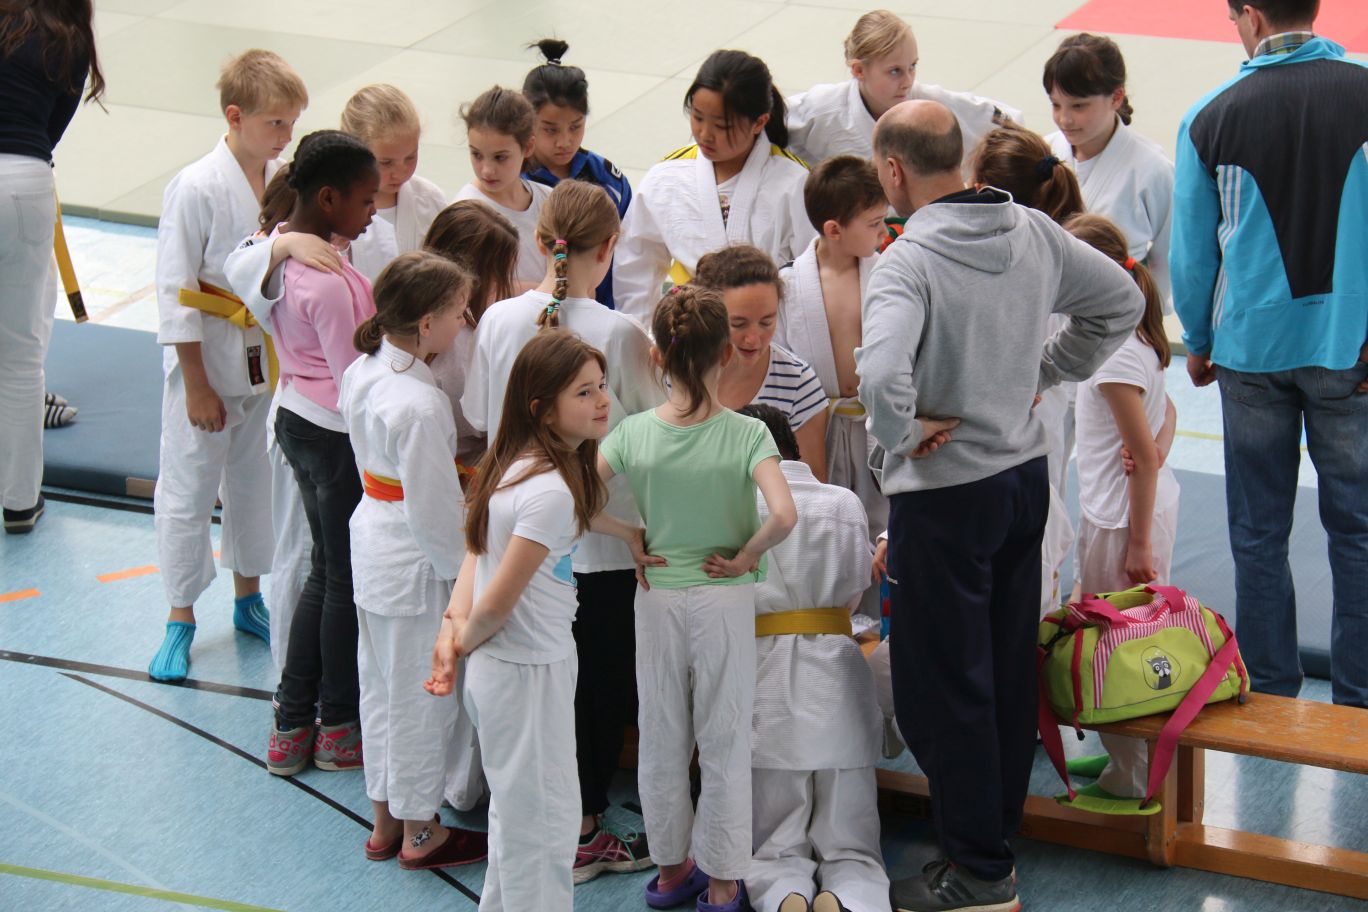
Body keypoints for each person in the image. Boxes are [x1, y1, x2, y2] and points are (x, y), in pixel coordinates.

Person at [858, 99, 1142, 912]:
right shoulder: (1033, 231)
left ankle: (979, 871)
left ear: (893, 171)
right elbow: (1121, 303)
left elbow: (879, 375)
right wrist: (1046, 370)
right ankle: (991, 839)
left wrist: (902, 435)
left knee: (941, 684)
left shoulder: (908, 263)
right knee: (1007, 669)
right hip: (1022, 482)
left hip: (947, 496)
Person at [1171, 0, 1368, 709]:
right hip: (1349, 347)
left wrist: (1198, 340)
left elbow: (1191, 251)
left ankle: (1271, 697)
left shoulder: (1209, 114)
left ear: (1249, 15)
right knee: (1359, 533)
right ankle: (1361, 700)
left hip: (1250, 350)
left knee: (1258, 534)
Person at [460, 180, 661, 866]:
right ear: (611, 247)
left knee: (533, 690)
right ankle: (583, 828)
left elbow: (479, 417)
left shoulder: (497, 321)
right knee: (595, 688)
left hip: (513, 527)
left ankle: (536, 821)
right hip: (595, 546)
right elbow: (657, 429)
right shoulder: (617, 333)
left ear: (542, 240)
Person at [426, 329, 658, 912]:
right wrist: (461, 640)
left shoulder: (519, 465)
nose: (603, 400)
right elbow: (499, 599)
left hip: (509, 669)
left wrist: (453, 627)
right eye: (584, 392)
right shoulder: (548, 489)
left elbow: (479, 550)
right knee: (547, 828)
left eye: (601, 385)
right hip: (527, 671)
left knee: (517, 819)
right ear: (542, 409)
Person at [598, 284, 798, 912]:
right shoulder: (748, 434)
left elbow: (572, 499)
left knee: (660, 735)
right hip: (723, 599)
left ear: (657, 356)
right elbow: (784, 515)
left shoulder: (632, 432)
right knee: (724, 738)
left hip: (657, 597)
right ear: (727, 353)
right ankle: (722, 882)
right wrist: (745, 556)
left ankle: (668, 871)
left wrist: (627, 533)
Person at [147, 49, 308, 682]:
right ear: (235, 117)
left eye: (291, 122)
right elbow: (175, 291)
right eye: (275, 123)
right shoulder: (195, 186)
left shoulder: (280, 181)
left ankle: (248, 598)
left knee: (253, 482)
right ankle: (180, 616)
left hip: (260, 358)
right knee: (188, 487)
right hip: (207, 359)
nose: (285, 135)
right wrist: (195, 385)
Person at [340, 251, 488, 869]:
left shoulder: (364, 369)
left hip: (374, 540)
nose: (464, 321)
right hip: (411, 558)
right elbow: (431, 510)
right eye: (458, 312)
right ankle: (421, 830)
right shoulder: (418, 403)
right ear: (427, 323)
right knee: (423, 696)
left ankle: (385, 819)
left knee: (380, 687)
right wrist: (463, 581)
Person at [738, 404, 888, 912]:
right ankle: (850, 892)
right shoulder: (843, 502)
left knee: (776, 832)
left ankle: (785, 890)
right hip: (838, 669)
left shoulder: (736, 508)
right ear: (795, 449)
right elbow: (858, 585)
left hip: (764, 670)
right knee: (851, 828)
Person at [262, 130, 379, 776]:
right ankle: (335, 724)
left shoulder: (280, 249)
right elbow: (354, 379)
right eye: (366, 200)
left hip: (299, 419)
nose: (372, 212)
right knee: (342, 580)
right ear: (329, 198)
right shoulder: (327, 283)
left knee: (325, 571)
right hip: (334, 435)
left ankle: (291, 723)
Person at [1060, 213, 1180, 809]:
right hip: (1124, 509)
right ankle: (1124, 756)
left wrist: (1138, 544)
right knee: (1119, 631)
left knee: (1120, 643)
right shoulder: (1133, 335)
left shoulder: (1113, 358)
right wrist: (1156, 447)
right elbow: (1169, 411)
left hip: (1124, 519)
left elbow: (1143, 456)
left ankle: (1133, 776)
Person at [969, 123, 1087, 610]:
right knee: (1039, 530)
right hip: (1041, 403)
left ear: (982, 190)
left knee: (1030, 541)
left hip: (1026, 412)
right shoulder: (1055, 246)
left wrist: (1036, 375)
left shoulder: (1027, 256)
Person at [0, 0, 103, 534]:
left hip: (22, 168)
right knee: (20, 357)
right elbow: (49, 130)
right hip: (25, 180)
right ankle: (20, 502)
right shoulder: (69, 37)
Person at [613, 50, 815, 322]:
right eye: (697, 118)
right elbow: (636, 266)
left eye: (722, 126)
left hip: (769, 330)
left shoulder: (794, 181)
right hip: (692, 330)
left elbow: (814, 272)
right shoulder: (666, 177)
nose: (705, 134)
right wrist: (641, 333)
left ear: (759, 122)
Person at [776, 155, 888, 539]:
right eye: (874, 223)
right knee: (825, 530)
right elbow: (781, 365)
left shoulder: (888, 273)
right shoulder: (788, 285)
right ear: (834, 229)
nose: (884, 231)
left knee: (881, 529)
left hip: (877, 423)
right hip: (816, 427)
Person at [785, 9, 1021, 170]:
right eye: (895, 71)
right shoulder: (822, 110)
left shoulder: (931, 107)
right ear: (859, 70)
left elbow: (1011, 125)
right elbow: (771, 125)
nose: (908, 81)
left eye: (913, 66)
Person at [1043, 33, 1174, 304]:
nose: (1064, 119)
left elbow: (1169, 258)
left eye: (1078, 106)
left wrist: (1149, 314)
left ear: (1116, 97)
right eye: (1056, 105)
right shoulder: (1045, 152)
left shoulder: (1153, 169)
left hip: (1120, 310)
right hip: (1048, 305)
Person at [694, 245, 828, 482]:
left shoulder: (798, 383)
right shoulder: (676, 371)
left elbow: (812, 486)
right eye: (739, 324)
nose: (754, 339)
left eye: (767, 322)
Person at [522, 38, 632, 309]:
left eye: (575, 126)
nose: (565, 141)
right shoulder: (515, 185)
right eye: (550, 129)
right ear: (527, 121)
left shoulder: (609, 179)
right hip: (536, 315)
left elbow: (630, 260)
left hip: (604, 313)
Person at [454, 86, 551, 288]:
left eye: (500, 157)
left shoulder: (548, 200)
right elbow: (472, 291)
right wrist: (546, 291)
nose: (487, 170)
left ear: (528, 147)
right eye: (476, 155)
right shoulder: (465, 213)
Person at [341, 84, 447, 256]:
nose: (400, 172)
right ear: (354, 153)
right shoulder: (335, 207)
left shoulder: (430, 200)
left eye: (410, 157)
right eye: (386, 163)